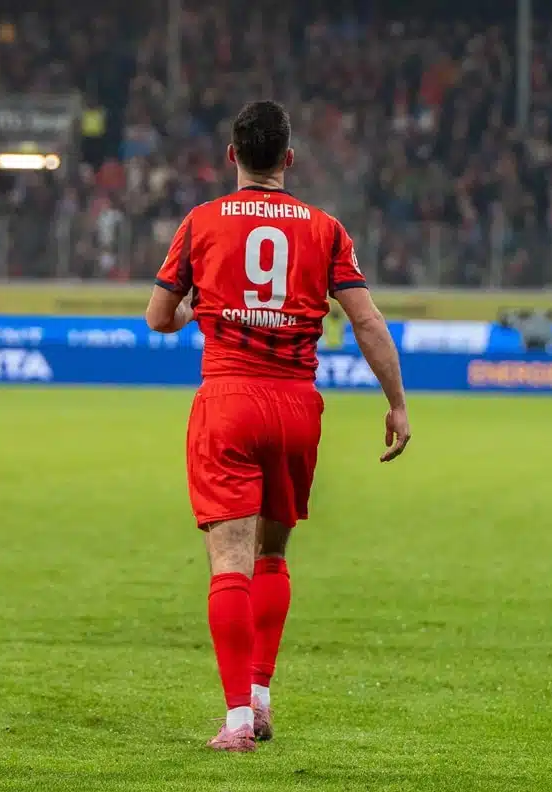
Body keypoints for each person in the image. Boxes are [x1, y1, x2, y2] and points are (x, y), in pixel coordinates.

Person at [145, 101, 411, 753]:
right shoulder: (325, 229)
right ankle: (261, 696)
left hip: (230, 400)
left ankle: (237, 719)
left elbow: (158, 316)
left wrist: (194, 312)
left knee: (228, 559)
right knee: (273, 553)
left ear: (232, 155)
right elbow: (369, 322)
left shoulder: (201, 223)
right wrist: (396, 404)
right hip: (296, 407)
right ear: (288, 158)